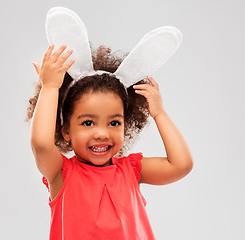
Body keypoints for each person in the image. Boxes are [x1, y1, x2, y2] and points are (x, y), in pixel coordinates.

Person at [26, 7, 193, 240]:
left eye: (114, 122)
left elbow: (181, 165)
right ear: (66, 131)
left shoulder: (131, 170)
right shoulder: (62, 174)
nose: (102, 133)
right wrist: (50, 87)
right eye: (87, 123)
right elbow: (41, 145)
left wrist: (160, 115)